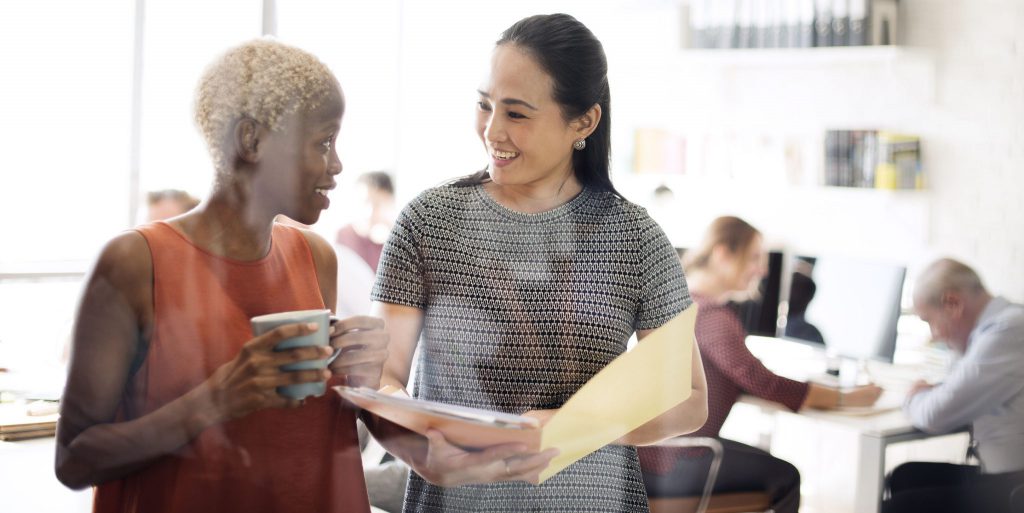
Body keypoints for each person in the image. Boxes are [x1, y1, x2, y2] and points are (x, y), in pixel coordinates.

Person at [363, 13, 708, 512]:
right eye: (485, 105)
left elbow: (690, 396)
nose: (492, 130)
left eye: (517, 114)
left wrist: (579, 426)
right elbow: (381, 375)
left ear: (584, 122)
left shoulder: (634, 237)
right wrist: (415, 440)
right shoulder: (428, 221)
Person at [55, 39, 388, 513]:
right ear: (251, 141)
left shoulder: (316, 258)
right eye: (323, 142)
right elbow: (74, 460)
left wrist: (361, 388)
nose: (337, 165)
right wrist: (213, 402)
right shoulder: (134, 262)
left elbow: (314, 441)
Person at [638, 216, 883, 513]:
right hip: (677, 460)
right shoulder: (710, 315)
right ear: (721, 253)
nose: (763, 270)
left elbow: (738, 377)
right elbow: (760, 380)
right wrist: (847, 397)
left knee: (764, 460)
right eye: (754, 257)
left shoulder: (681, 299)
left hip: (660, 454)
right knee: (786, 477)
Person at [882, 258, 1024, 513]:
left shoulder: (1009, 329)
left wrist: (914, 397)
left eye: (929, 321)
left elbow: (936, 413)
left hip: (1015, 484)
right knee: (905, 476)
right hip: (1005, 477)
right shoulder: (992, 330)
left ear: (953, 303)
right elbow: (953, 390)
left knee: (900, 507)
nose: (933, 335)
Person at [336, 171, 396, 272]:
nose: (370, 211)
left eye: (378, 204)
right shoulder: (343, 237)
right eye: (366, 202)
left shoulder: (396, 241)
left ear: (390, 203)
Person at [784, 270, 825, 344]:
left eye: (799, 291)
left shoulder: (811, 334)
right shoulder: (765, 318)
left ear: (808, 299)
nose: (794, 295)